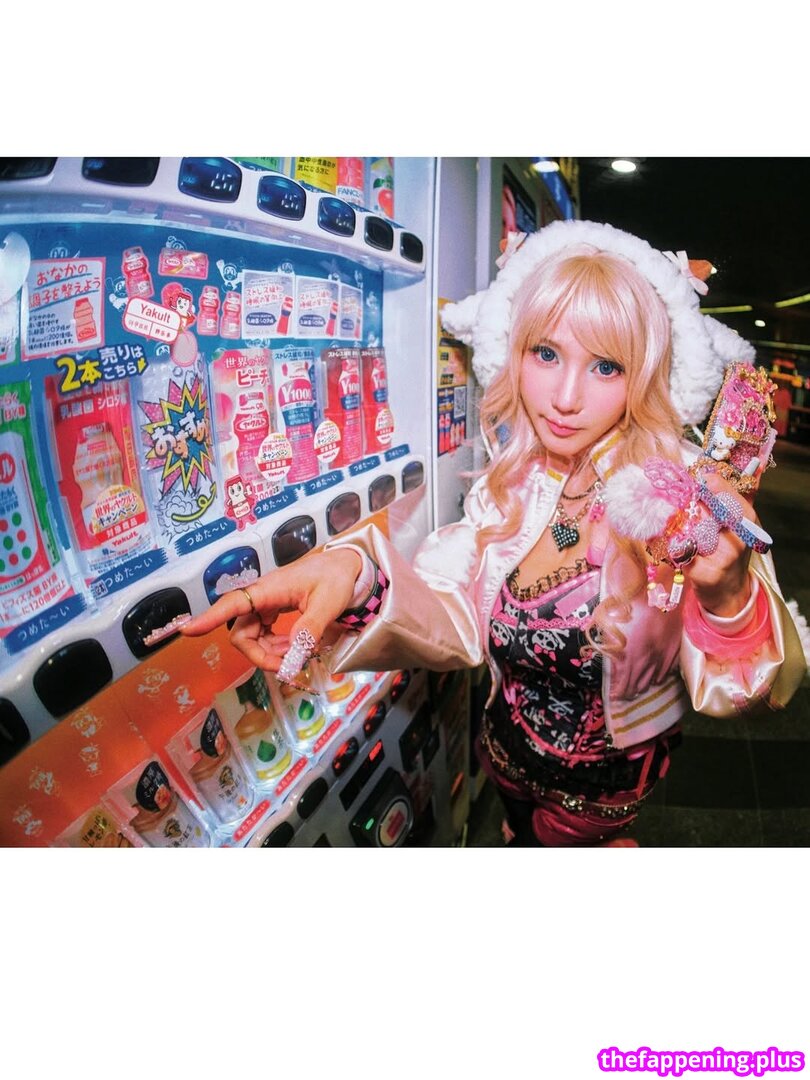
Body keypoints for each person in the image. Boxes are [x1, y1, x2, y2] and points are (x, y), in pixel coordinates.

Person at [182, 219, 808, 846]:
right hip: (502, 750)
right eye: (546, 354)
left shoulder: (678, 497)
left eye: (606, 366)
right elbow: (452, 611)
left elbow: (756, 692)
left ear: (645, 374)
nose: (565, 398)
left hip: (601, 786)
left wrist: (728, 594)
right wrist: (354, 574)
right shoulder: (518, 478)